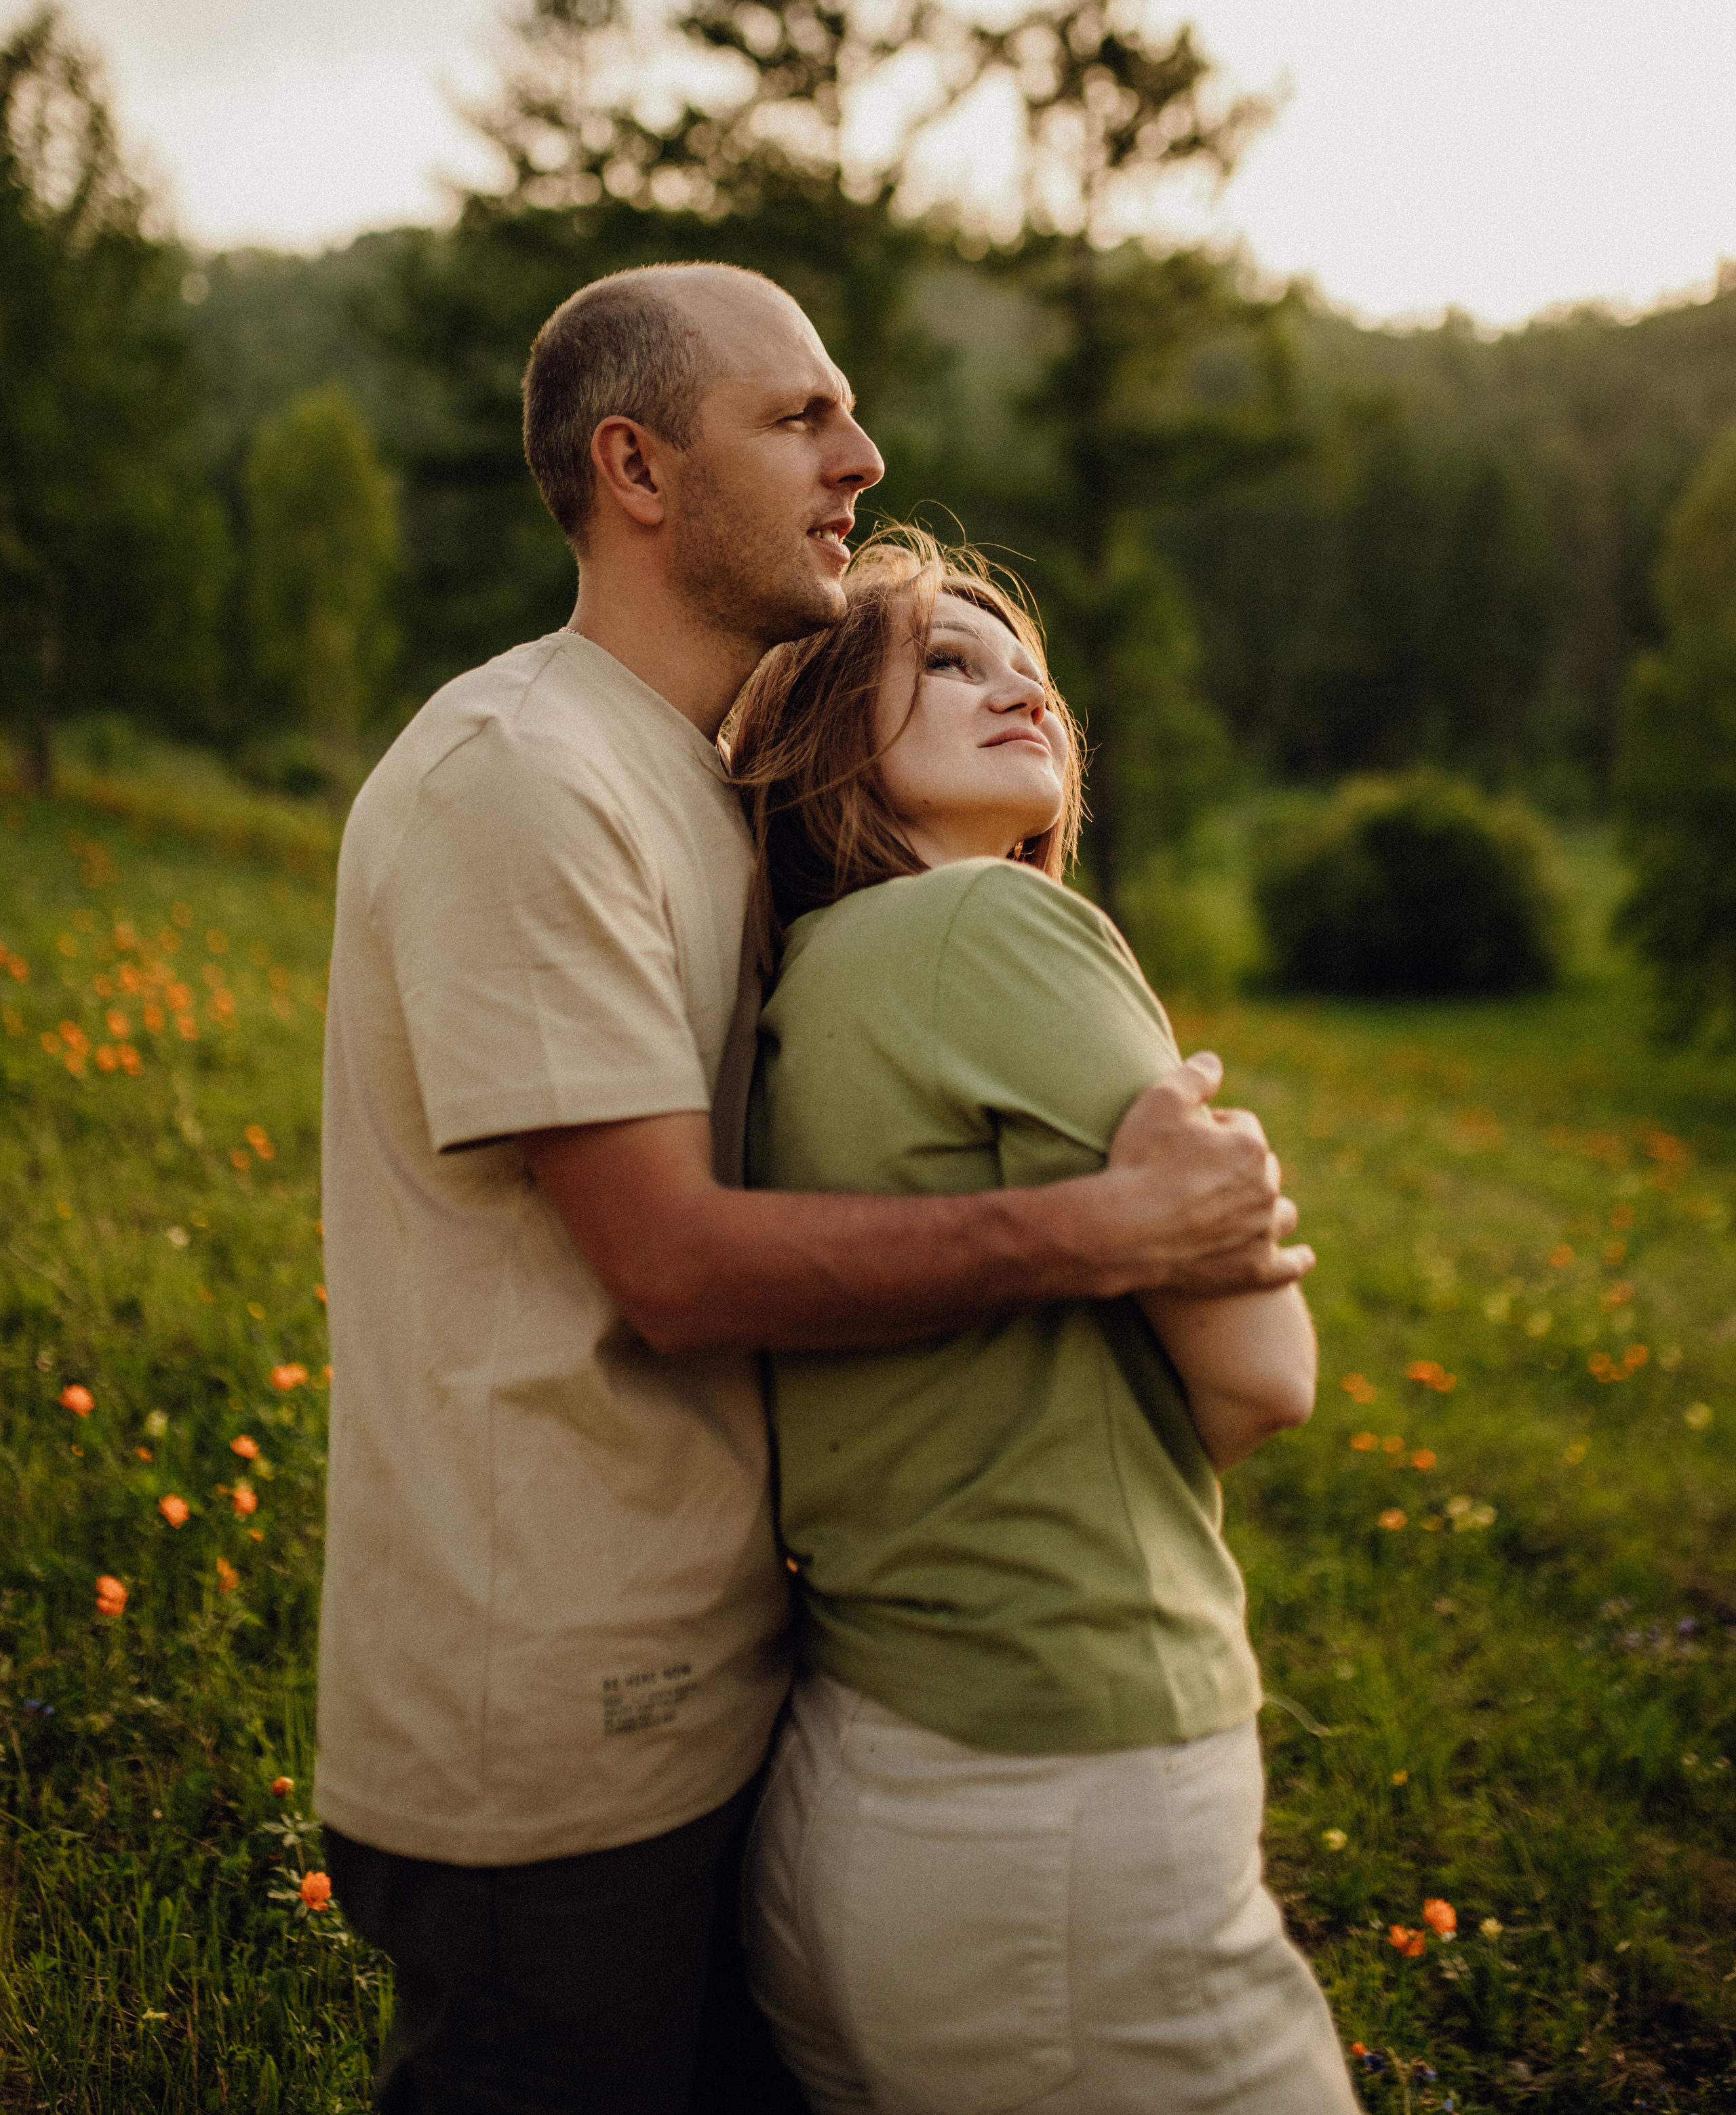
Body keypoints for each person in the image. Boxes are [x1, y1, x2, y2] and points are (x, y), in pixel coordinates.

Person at [315, 264, 1314, 2115]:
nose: (860, 456)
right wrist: (1113, 1230)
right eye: (799, 419)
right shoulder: (519, 776)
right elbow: (673, 1267)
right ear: (635, 465)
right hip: (550, 1731)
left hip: (745, 1699)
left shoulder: (695, 790)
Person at [730, 530, 1358, 2115]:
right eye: (943, 660)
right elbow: (1263, 1374)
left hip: (850, 1790)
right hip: (1060, 1802)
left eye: (1028, 668)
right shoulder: (995, 929)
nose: (1015, 684)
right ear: (819, 739)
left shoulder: (804, 983)